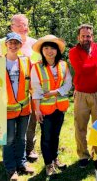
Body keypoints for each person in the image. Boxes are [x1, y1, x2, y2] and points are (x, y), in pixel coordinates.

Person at [0, 14, 40, 161]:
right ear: (12, 27)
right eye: (20, 25)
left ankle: (29, 149)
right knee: (10, 131)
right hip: (7, 97)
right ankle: (13, 156)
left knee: (30, 125)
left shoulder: (35, 44)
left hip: (29, 94)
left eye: (26, 25)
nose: (24, 28)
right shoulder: (1, 43)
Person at [69, 24, 97, 168]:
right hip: (81, 95)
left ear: (92, 36)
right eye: (83, 36)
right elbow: (82, 70)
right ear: (78, 37)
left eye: (88, 36)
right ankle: (83, 155)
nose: (86, 39)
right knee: (80, 126)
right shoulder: (73, 52)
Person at [31, 35, 72, 176]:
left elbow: (68, 84)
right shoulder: (36, 67)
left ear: (57, 50)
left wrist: (55, 92)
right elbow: (35, 90)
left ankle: (55, 159)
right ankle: (48, 164)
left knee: (56, 136)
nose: (49, 51)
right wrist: (37, 110)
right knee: (47, 137)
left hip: (60, 108)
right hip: (45, 109)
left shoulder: (63, 65)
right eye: (46, 48)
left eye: (52, 48)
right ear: (42, 51)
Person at [3, 32, 34, 180]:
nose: (13, 45)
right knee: (8, 139)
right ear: (6, 44)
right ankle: (10, 168)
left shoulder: (26, 61)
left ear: (21, 45)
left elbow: (34, 82)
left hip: (24, 108)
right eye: (11, 43)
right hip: (7, 109)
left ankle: (22, 163)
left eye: (16, 43)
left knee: (21, 138)